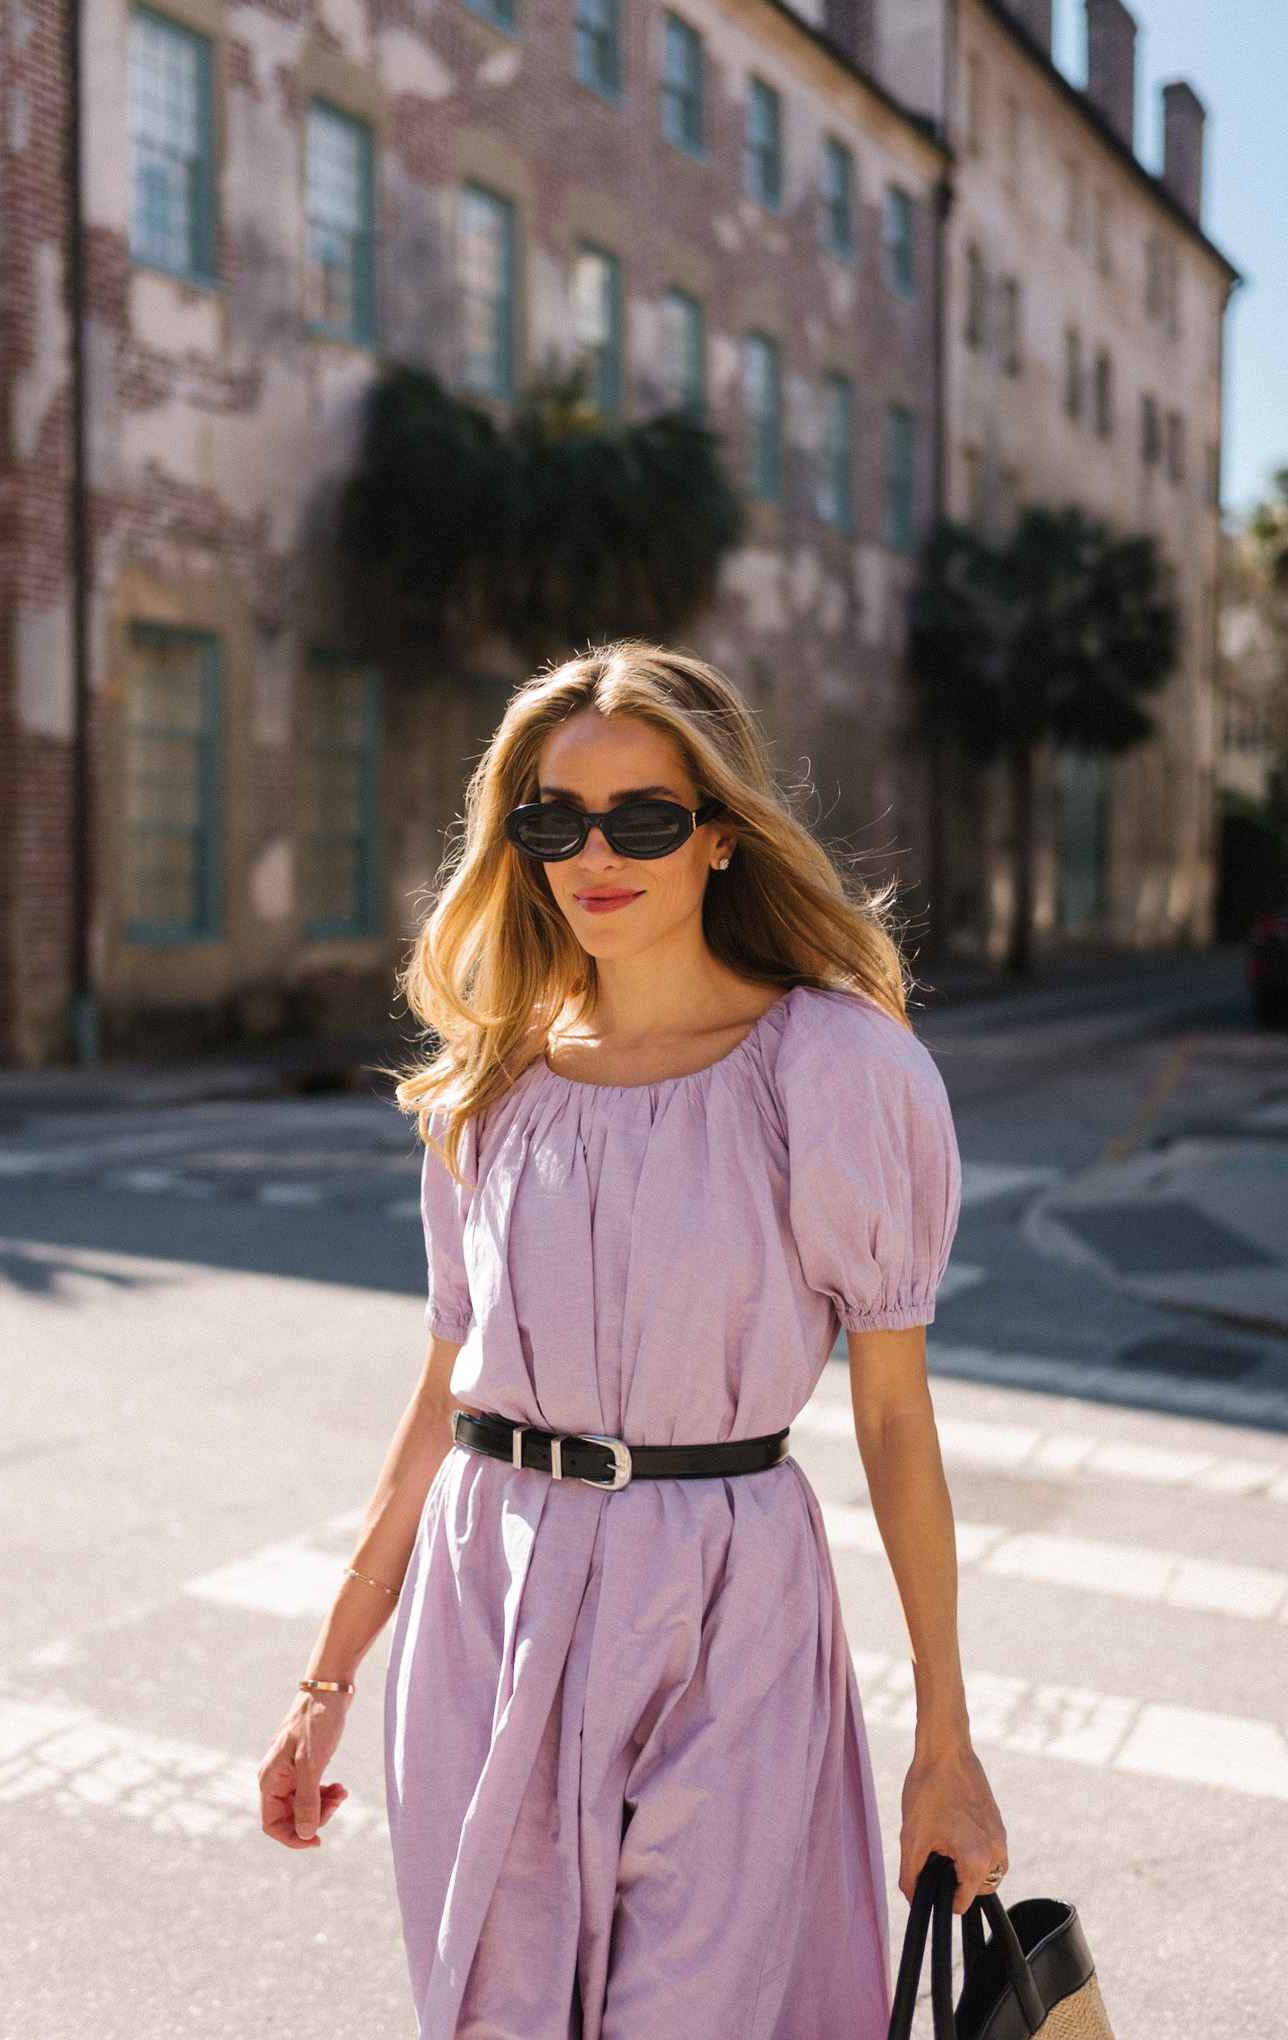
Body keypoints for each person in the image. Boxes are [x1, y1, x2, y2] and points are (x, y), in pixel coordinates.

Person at [258, 644, 1007, 2040]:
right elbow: (443, 1398)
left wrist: (945, 1748)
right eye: (555, 822)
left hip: (726, 1604)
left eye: (643, 820)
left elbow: (897, 1423)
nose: (594, 856)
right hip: (490, 1604)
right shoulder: (493, 1079)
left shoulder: (835, 1068)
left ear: (722, 834)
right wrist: (325, 1678)